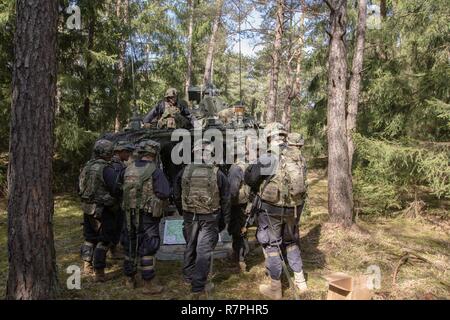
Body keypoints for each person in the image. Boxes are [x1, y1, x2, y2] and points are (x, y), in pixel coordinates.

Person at [244, 123, 308, 300]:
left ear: (269, 137)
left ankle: (275, 288)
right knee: (292, 241)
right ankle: (301, 282)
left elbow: (250, 179)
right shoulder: (298, 157)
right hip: (294, 207)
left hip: (272, 208)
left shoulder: (269, 157)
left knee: (272, 245)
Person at [173, 139, 231, 299]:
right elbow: (226, 197)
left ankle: (187, 275)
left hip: (189, 214)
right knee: (204, 249)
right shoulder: (217, 173)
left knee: (190, 244)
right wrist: (225, 219)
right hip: (209, 216)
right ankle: (198, 287)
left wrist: (183, 210)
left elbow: (176, 194)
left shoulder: (184, 171)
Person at [121, 140, 170, 294]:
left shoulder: (128, 169)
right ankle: (148, 283)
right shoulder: (155, 171)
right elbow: (164, 192)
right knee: (148, 247)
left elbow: (118, 187)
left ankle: (129, 279)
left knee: (130, 243)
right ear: (153, 154)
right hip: (148, 215)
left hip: (129, 214)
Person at [78, 139, 121, 282]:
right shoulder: (106, 169)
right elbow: (116, 188)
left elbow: (79, 187)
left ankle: (86, 266)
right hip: (104, 210)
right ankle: (99, 272)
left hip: (87, 208)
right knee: (104, 240)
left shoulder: (86, 166)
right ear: (108, 153)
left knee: (89, 238)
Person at [109, 141, 135, 260]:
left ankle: (113, 249)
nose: (129, 154)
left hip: (116, 200)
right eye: (127, 152)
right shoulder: (116, 166)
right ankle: (112, 250)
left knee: (116, 226)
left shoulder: (118, 164)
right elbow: (116, 185)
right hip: (115, 201)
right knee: (114, 226)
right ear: (120, 152)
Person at [227, 151, 251, 272]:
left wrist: (226, 205)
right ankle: (240, 257)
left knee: (237, 233)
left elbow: (233, 189)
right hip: (245, 203)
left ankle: (240, 261)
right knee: (242, 231)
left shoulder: (235, 168)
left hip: (237, 204)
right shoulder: (247, 165)